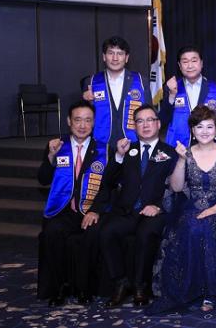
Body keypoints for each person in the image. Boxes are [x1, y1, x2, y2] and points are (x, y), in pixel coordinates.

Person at [148, 106, 216, 314]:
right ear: (192, 130)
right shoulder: (186, 154)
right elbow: (176, 187)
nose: (204, 131)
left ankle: (211, 293)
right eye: (199, 127)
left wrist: (215, 209)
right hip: (191, 208)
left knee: (210, 228)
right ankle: (189, 290)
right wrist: (181, 160)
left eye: (210, 126)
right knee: (191, 227)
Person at [86, 105, 178, 308]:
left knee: (145, 235)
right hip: (127, 211)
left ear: (158, 124)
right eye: (140, 121)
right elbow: (108, 181)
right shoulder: (127, 150)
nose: (145, 125)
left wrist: (159, 206)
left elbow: (177, 188)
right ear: (134, 126)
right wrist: (118, 157)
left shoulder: (171, 153)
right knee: (106, 232)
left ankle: (140, 286)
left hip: (155, 211)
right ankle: (121, 282)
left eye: (150, 120)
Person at [37, 100, 106, 306]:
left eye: (88, 120)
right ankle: (59, 287)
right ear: (69, 121)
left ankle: (85, 288)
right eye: (77, 120)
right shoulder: (57, 146)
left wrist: (95, 210)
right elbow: (43, 179)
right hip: (63, 209)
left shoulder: (103, 150)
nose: (82, 125)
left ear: (94, 123)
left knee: (92, 234)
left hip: (89, 210)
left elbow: (108, 187)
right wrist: (51, 157)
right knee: (52, 233)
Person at [83, 36, 148, 151]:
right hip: (101, 146)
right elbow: (85, 117)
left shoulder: (141, 81)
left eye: (120, 54)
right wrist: (87, 102)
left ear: (126, 58)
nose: (115, 58)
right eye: (111, 53)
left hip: (133, 144)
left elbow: (149, 112)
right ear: (104, 56)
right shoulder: (91, 82)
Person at [161, 46, 216, 147]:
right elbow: (163, 119)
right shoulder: (172, 86)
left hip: (208, 147)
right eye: (185, 62)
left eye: (194, 61)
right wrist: (172, 95)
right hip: (177, 146)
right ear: (179, 66)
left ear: (201, 63)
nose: (190, 66)